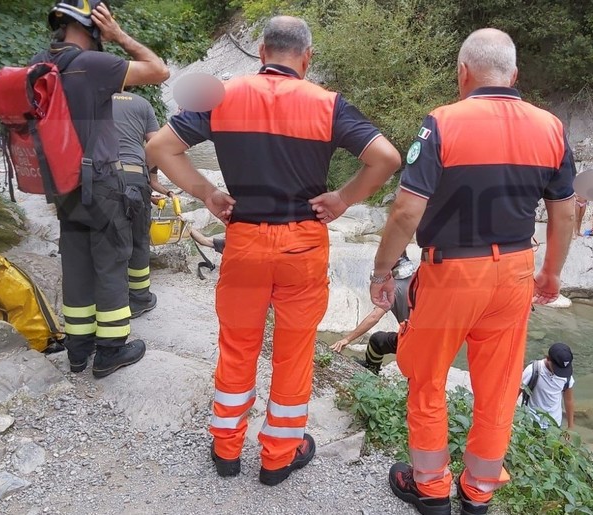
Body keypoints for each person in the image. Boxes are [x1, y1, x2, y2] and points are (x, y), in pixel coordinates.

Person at [146, 15, 401, 486]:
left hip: (244, 239)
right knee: (294, 352)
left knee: (238, 345)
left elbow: (161, 147)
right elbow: (386, 158)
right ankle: (278, 456)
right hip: (301, 244)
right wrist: (343, 198)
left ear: (261, 51)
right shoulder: (328, 105)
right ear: (307, 58)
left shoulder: (223, 95)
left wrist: (207, 193)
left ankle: (226, 448)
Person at [369, 28, 576, 515]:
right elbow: (565, 212)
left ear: (463, 72)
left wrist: (383, 271)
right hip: (517, 270)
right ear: (515, 74)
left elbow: (404, 212)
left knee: (427, 378)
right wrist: (551, 272)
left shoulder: (442, 123)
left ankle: (432, 488)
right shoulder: (551, 127)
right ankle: (479, 493)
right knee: (501, 387)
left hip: (452, 273)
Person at [35, 0, 169, 378]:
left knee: (76, 264)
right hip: (102, 183)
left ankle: (78, 353)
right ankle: (110, 351)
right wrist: (119, 35)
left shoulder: (42, 64)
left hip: (64, 185)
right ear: (94, 26)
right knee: (111, 261)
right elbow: (159, 70)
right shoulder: (89, 64)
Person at [112, 90, 161, 318]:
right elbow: (156, 144)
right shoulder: (142, 103)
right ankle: (140, 299)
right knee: (139, 238)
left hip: (100, 176)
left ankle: (111, 297)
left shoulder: (91, 100)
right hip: (134, 177)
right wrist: (152, 180)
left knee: (106, 240)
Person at [330, 253, 415, 375]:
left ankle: (372, 370)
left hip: (413, 341)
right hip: (436, 339)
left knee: (376, 340)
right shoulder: (419, 278)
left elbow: (374, 317)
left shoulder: (393, 289)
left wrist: (347, 339)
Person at [520, 343, 575, 430]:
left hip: (554, 424)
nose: (560, 373)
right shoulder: (533, 370)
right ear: (548, 358)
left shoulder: (566, 376)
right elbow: (515, 393)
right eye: (558, 369)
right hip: (531, 422)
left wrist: (570, 426)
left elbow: (568, 400)